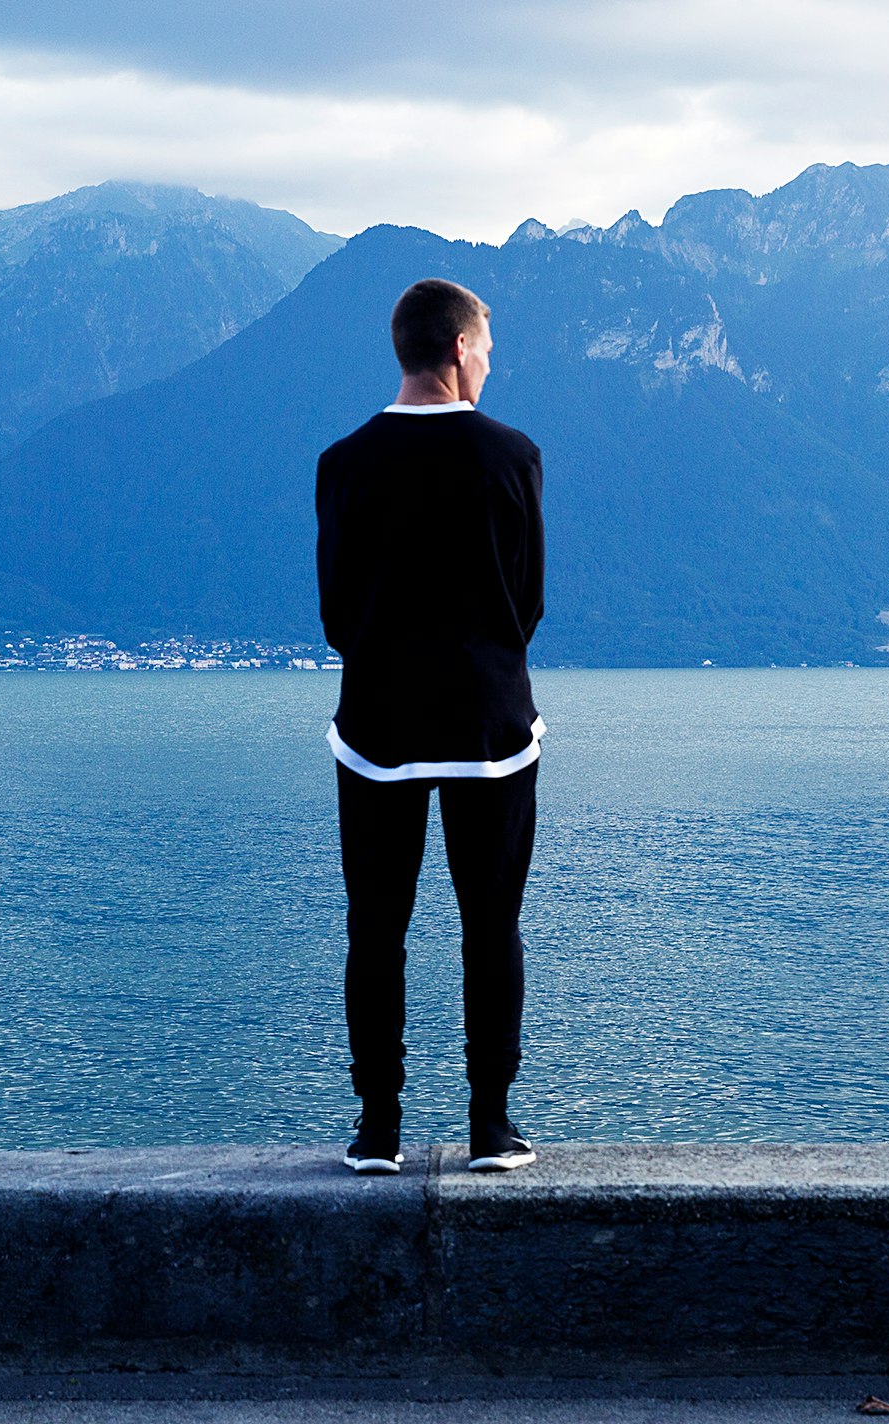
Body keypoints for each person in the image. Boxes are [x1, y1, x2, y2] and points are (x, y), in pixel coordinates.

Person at [314, 277, 546, 1176]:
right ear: (456, 349)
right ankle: (493, 1124)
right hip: (491, 727)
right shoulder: (512, 455)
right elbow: (527, 601)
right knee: (492, 926)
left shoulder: (344, 462)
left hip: (376, 725)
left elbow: (336, 610)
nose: (490, 361)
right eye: (485, 346)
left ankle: (379, 1128)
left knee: (376, 928)